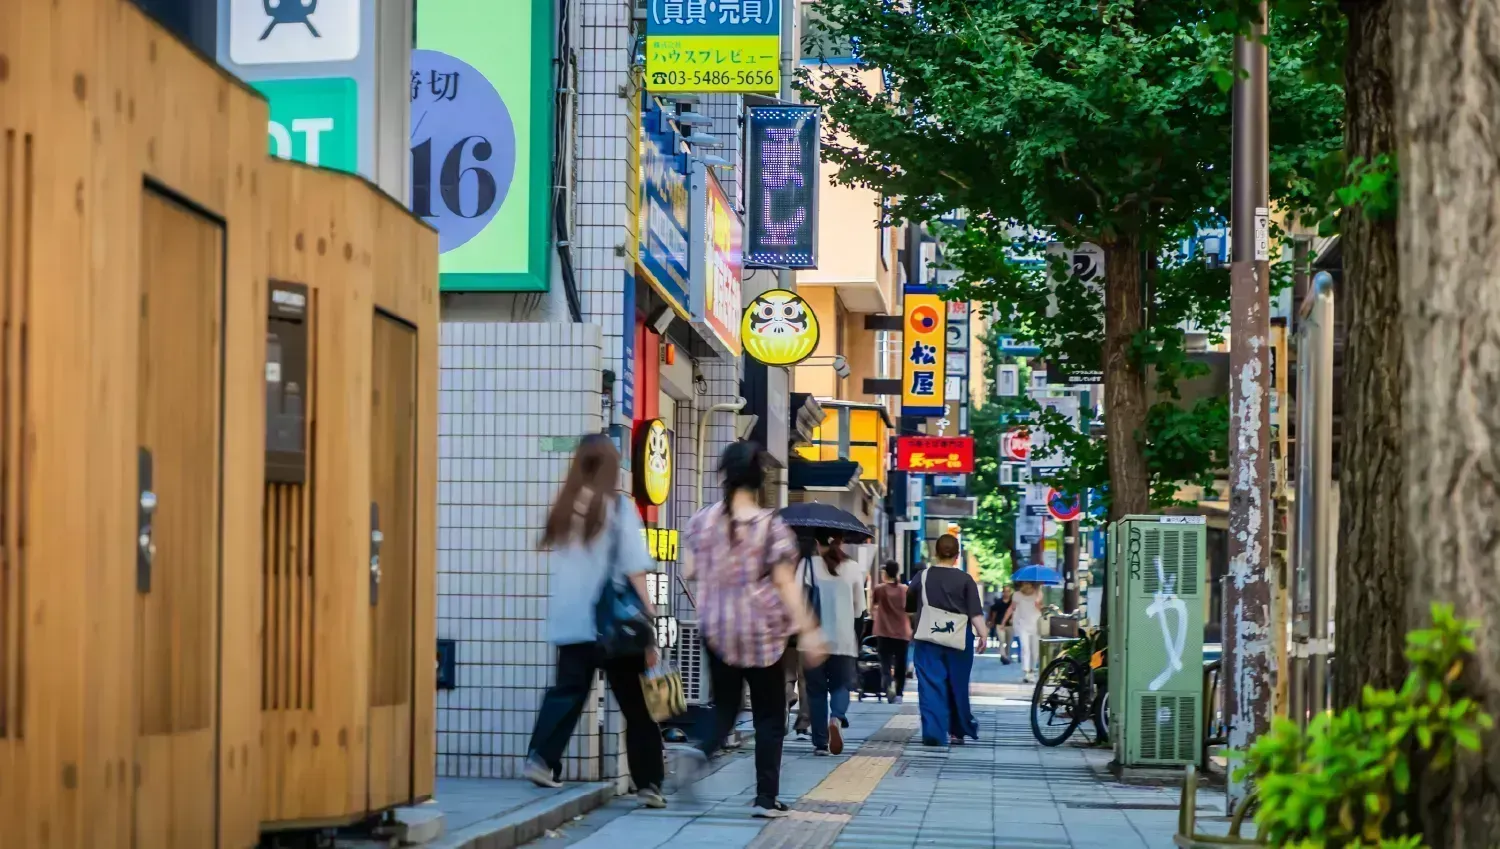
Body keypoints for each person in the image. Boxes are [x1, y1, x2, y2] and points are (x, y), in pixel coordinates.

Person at [677, 442, 828, 818]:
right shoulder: (769, 527)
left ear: (724, 476)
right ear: (760, 480)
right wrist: (809, 630)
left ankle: (699, 750)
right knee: (769, 715)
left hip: (716, 627)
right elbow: (785, 584)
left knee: (725, 707)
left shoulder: (701, 521)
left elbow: (689, 571)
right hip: (761, 633)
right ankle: (765, 798)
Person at [525, 434, 666, 808]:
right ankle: (649, 783)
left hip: (572, 621)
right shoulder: (618, 508)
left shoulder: (565, 507)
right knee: (637, 705)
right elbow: (635, 569)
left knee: (568, 692)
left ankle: (541, 758)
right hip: (614, 626)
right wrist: (650, 620)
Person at [906, 534, 986, 747]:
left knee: (931, 683)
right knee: (957, 684)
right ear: (957, 555)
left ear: (935, 552)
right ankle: (957, 731)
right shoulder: (966, 580)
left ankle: (934, 731)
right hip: (959, 640)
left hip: (928, 637)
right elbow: (975, 613)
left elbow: (909, 605)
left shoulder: (922, 577)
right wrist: (983, 635)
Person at [801, 532, 867, 756]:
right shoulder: (853, 567)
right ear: (841, 542)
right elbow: (860, 609)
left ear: (817, 542)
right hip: (843, 639)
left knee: (816, 692)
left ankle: (820, 743)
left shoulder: (807, 565)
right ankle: (836, 718)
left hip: (812, 640)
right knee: (841, 685)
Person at [871, 560, 912, 703]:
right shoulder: (905, 590)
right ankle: (899, 693)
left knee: (885, 663)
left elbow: (873, 608)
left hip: (883, 632)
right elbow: (911, 610)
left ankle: (888, 686)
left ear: (885, 573)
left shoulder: (879, 589)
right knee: (901, 665)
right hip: (902, 633)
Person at [1001, 581, 1045, 682]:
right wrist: (1003, 622)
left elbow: (1041, 609)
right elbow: (1011, 608)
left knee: (1035, 650)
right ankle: (1026, 672)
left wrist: (1038, 604)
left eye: (1028, 583)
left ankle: (1032, 671)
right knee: (1025, 648)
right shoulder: (1017, 595)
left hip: (1035, 625)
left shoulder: (1038, 593)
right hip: (1022, 625)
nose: (1026, 586)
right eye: (1024, 584)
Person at [987, 586, 1015, 664]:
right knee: (1002, 640)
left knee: (1009, 642)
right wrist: (992, 622)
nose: (1006, 593)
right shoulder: (998, 602)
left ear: (1010, 592)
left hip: (1010, 625)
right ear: (1002, 592)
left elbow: (1015, 612)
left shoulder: (1012, 603)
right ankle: (1003, 656)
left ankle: (1007, 655)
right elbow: (994, 613)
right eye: (1005, 591)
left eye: (1008, 591)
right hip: (999, 625)